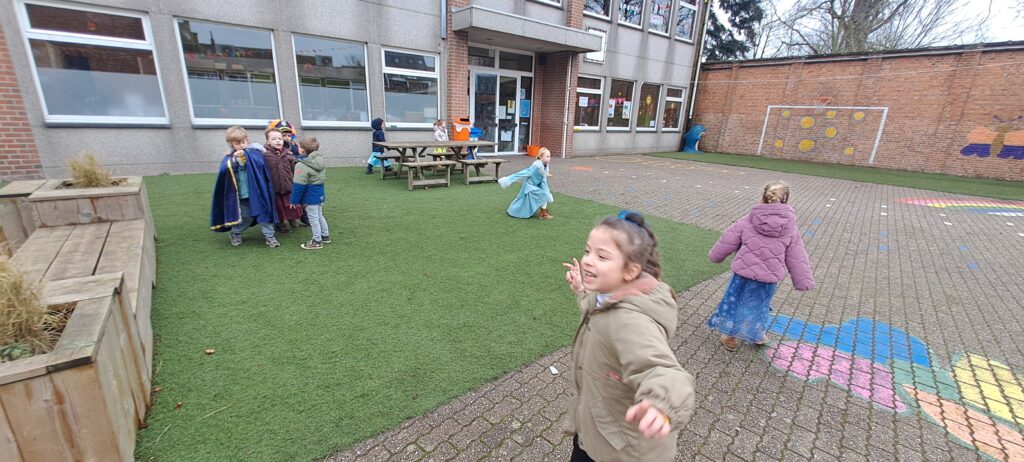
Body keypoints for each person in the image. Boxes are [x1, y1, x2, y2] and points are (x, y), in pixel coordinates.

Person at [561, 211, 695, 461]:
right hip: (598, 430)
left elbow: (662, 370)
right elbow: (595, 308)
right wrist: (581, 289)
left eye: (602, 256)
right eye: (588, 251)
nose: (588, 260)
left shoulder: (630, 321)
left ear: (631, 271)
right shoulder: (608, 295)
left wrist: (661, 405)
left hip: (621, 450)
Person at [706, 181, 815, 351]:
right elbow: (797, 255)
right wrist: (803, 280)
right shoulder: (790, 229)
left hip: (742, 275)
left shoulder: (747, 220)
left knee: (735, 302)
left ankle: (730, 335)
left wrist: (716, 256)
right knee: (760, 306)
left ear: (762, 198)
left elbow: (728, 239)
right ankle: (756, 333)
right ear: (786, 201)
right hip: (768, 279)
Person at [210, 126, 279, 248]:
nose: (241, 145)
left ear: (247, 140)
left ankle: (270, 237)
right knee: (246, 216)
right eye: (237, 143)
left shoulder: (255, 152)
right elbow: (224, 170)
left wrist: (246, 156)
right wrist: (235, 160)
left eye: (243, 142)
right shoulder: (229, 158)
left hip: (258, 191)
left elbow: (260, 163)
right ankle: (235, 233)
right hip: (243, 194)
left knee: (264, 214)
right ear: (231, 144)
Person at [290, 137, 330, 250]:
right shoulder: (319, 160)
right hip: (319, 195)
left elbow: (299, 185)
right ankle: (325, 235)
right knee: (319, 215)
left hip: (310, 197)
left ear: (302, 150)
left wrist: (294, 200)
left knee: (313, 219)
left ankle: (317, 241)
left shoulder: (301, 165)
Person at [497, 147, 553, 219]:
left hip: (536, 186)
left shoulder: (545, 166)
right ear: (541, 157)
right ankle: (542, 213)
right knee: (543, 194)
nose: (549, 158)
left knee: (544, 194)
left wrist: (547, 192)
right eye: (547, 156)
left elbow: (544, 182)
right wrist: (508, 180)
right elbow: (523, 173)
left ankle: (543, 212)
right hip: (530, 187)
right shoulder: (536, 167)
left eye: (549, 156)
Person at [264, 129, 302, 233]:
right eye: (274, 139)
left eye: (280, 139)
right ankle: (280, 223)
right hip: (275, 188)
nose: (277, 141)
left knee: (290, 205)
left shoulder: (287, 154)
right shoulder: (265, 155)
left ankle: (292, 219)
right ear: (268, 141)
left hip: (287, 185)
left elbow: (294, 168)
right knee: (278, 207)